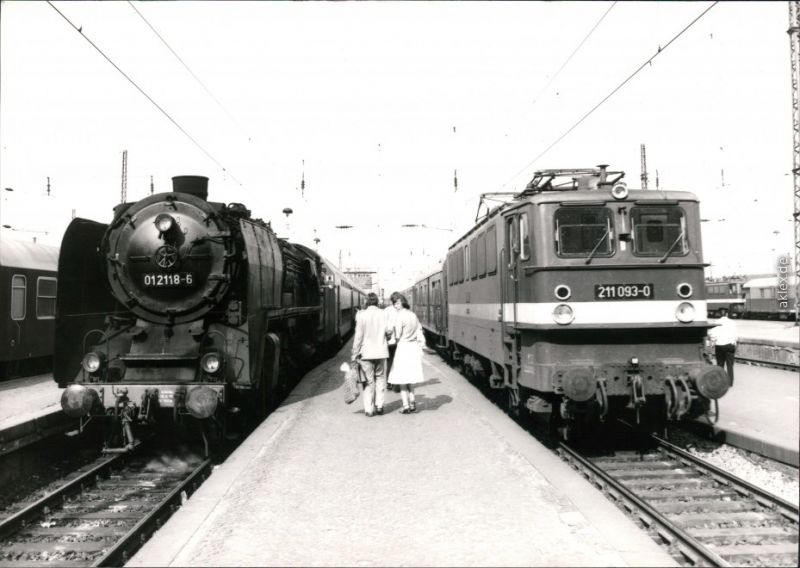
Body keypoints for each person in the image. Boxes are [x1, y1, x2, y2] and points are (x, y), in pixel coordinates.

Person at [351, 292, 389, 417]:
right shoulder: (384, 314)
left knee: (368, 381)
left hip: (366, 353)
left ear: (367, 302)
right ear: (377, 301)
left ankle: (369, 409)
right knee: (380, 378)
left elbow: (358, 336)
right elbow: (389, 332)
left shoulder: (362, 315)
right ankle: (380, 406)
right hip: (381, 352)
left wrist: (354, 354)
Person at [388, 294, 425, 413]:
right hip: (413, 347)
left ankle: (405, 406)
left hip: (403, 347)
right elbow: (419, 329)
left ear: (402, 302)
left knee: (402, 379)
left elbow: (398, 336)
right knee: (410, 378)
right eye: (394, 303)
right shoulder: (413, 315)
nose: (395, 306)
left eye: (397, 303)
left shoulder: (399, 317)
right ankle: (413, 402)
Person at [708, 311, 737, 385]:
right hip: (730, 346)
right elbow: (735, 335)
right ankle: (730, 382)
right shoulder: (732, 322)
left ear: (720, 314)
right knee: (730, 365)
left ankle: (721, 382)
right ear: (727, 314)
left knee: (720, 364)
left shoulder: (716, 322)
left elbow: (711, 335)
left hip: (719, 346)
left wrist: (710, 347)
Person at [384, 291, 400, 392]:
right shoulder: (401, 310)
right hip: (399, 340)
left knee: (389, 361)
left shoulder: (386, 310)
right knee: (397, 361)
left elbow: (384, 324)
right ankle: (397, 383)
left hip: (389, 340)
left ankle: (389, 382)